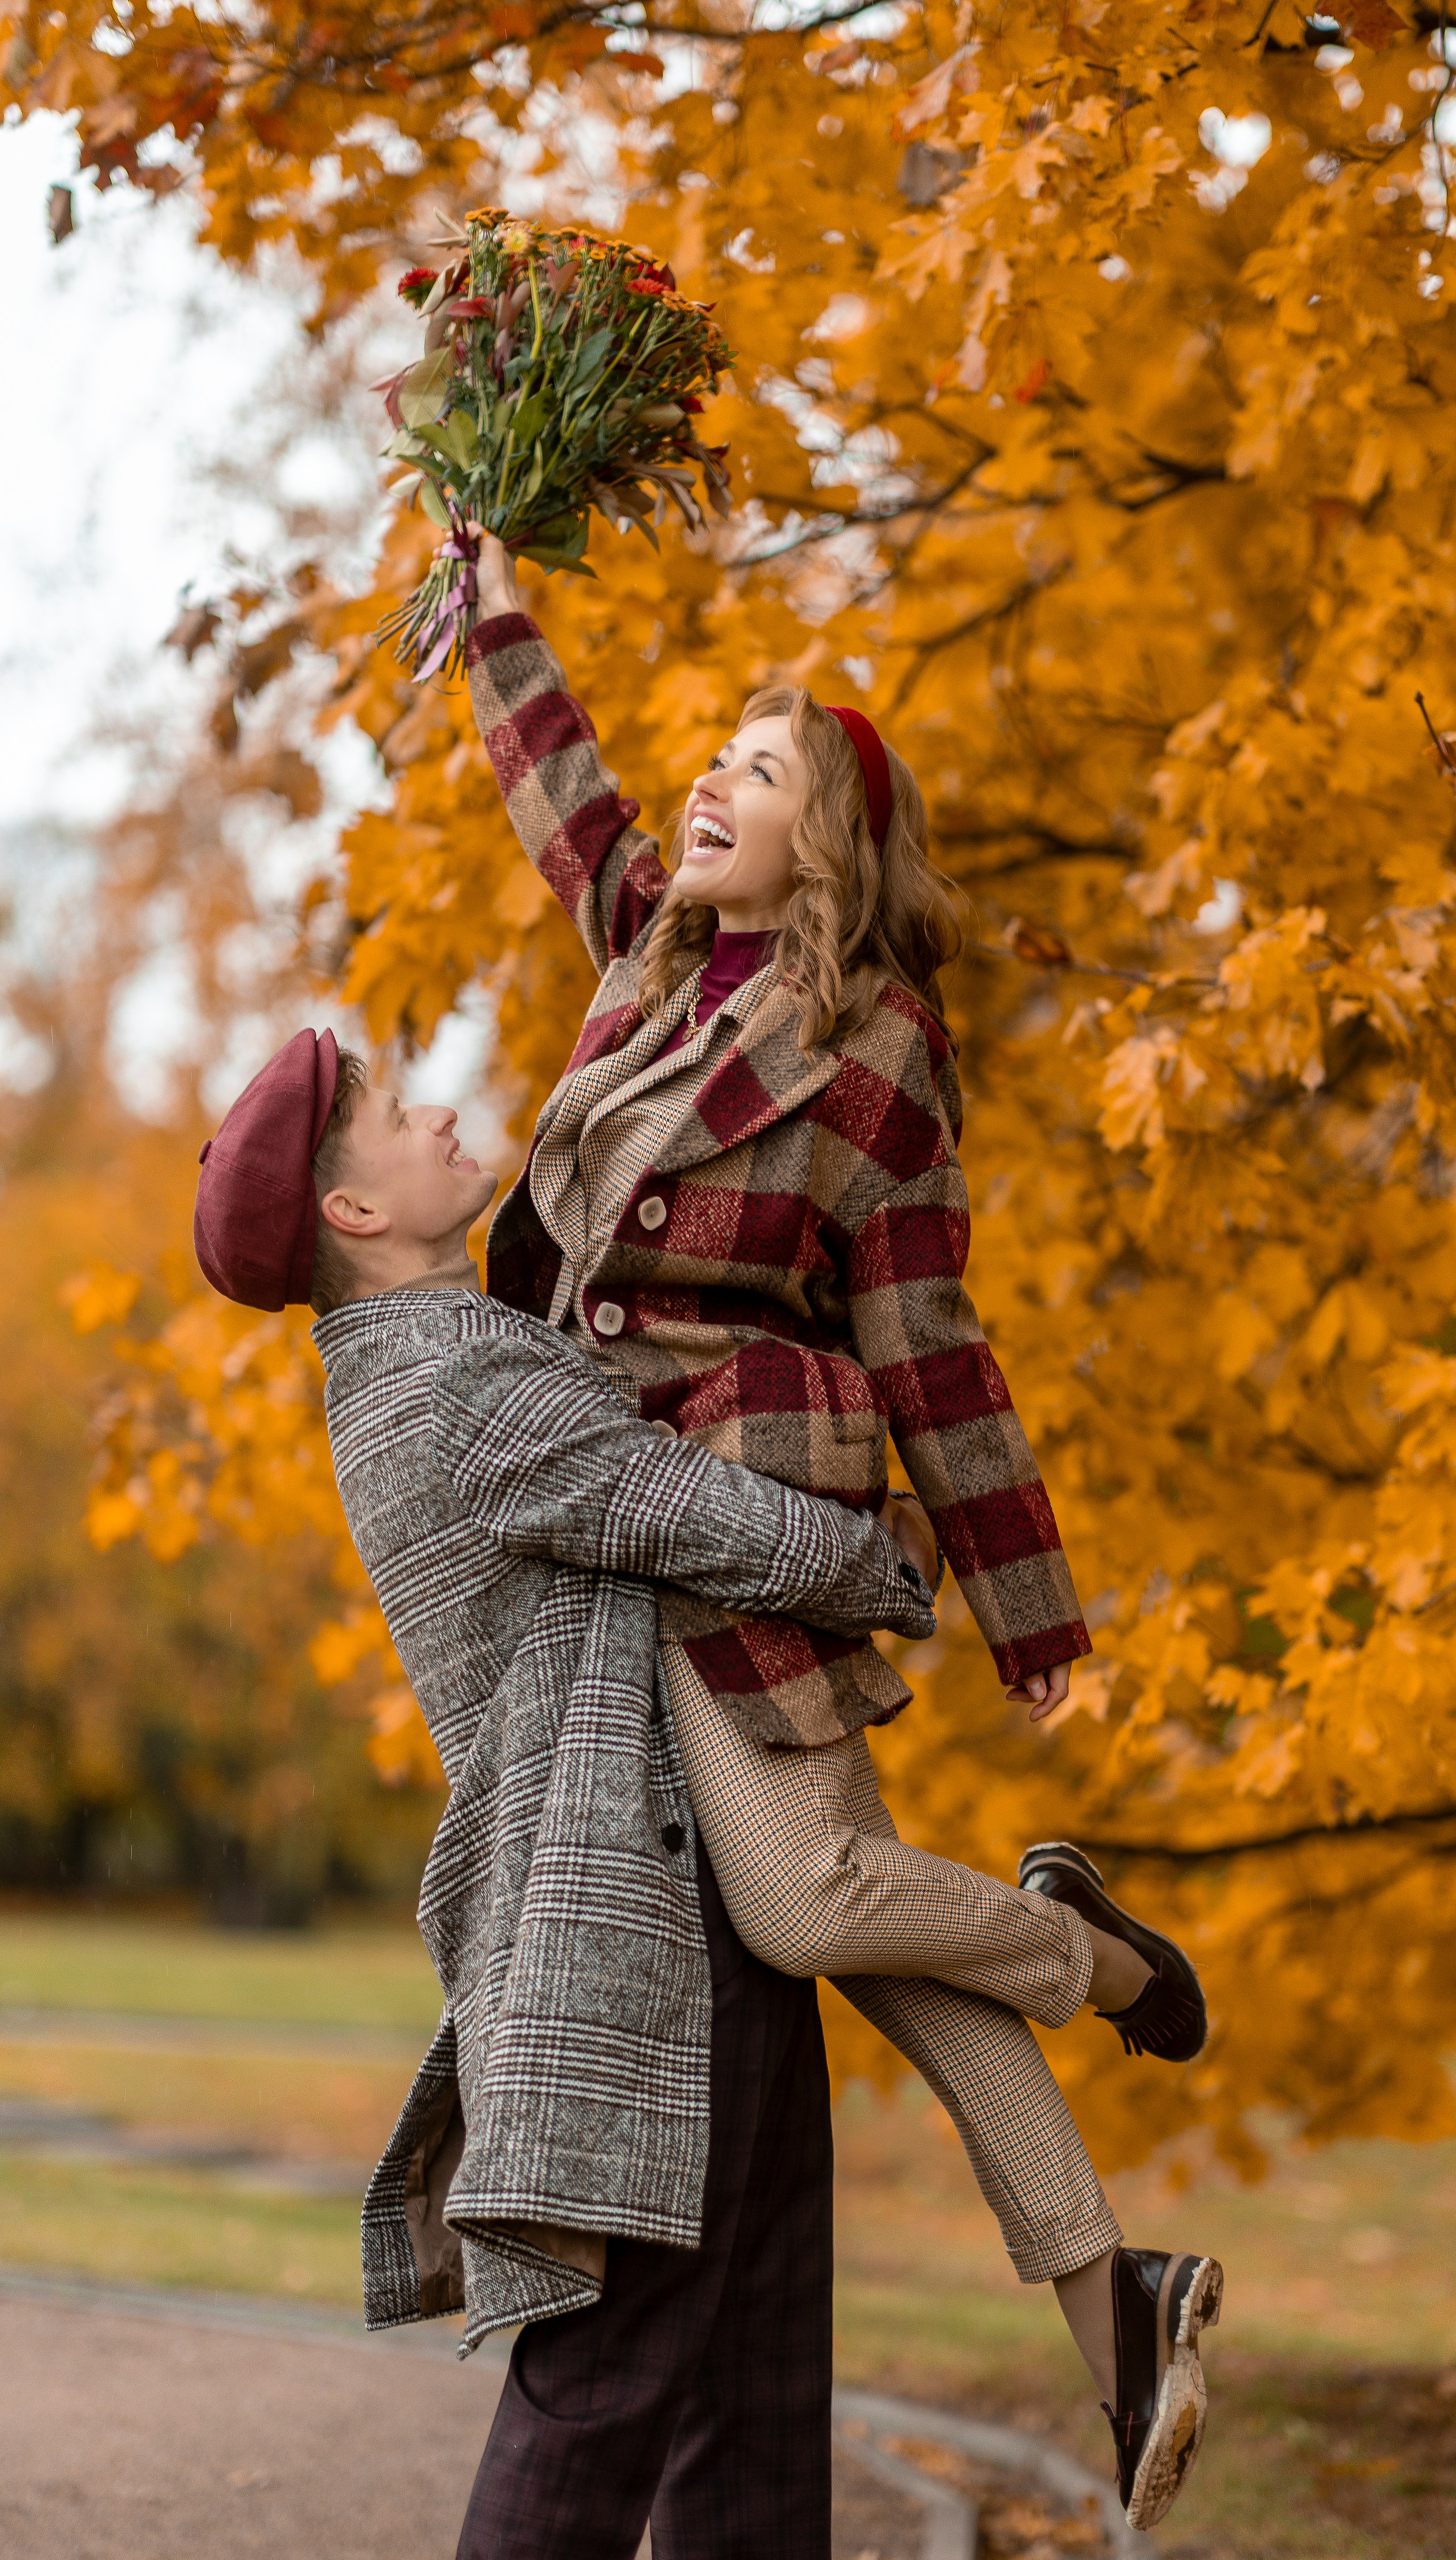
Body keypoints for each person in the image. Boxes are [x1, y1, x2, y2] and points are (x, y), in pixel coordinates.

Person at [461, 533, 1223, 2531]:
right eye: (715, 756)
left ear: (835, 847)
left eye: (764, 772)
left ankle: (1091, 1954)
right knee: (876, 1943)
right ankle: (1111, 2299)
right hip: (610, 1526)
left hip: (744, 1512)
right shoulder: (643, 954)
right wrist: (490, 605)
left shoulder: (877, 1060)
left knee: (811, 1908)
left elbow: (933, 1349)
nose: (712, 785)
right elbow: (565, 792)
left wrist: (1026, 1609)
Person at [193, 1025, 940, 2560]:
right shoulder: (446, 1381)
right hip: (633, 1931)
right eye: (401, 1115)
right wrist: (907, 1567)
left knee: (750, 2379)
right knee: (612, 2389)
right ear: (350, 1213)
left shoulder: (454, 1349)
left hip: (685, 1891)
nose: (444, 1109)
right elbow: (694, 1514)